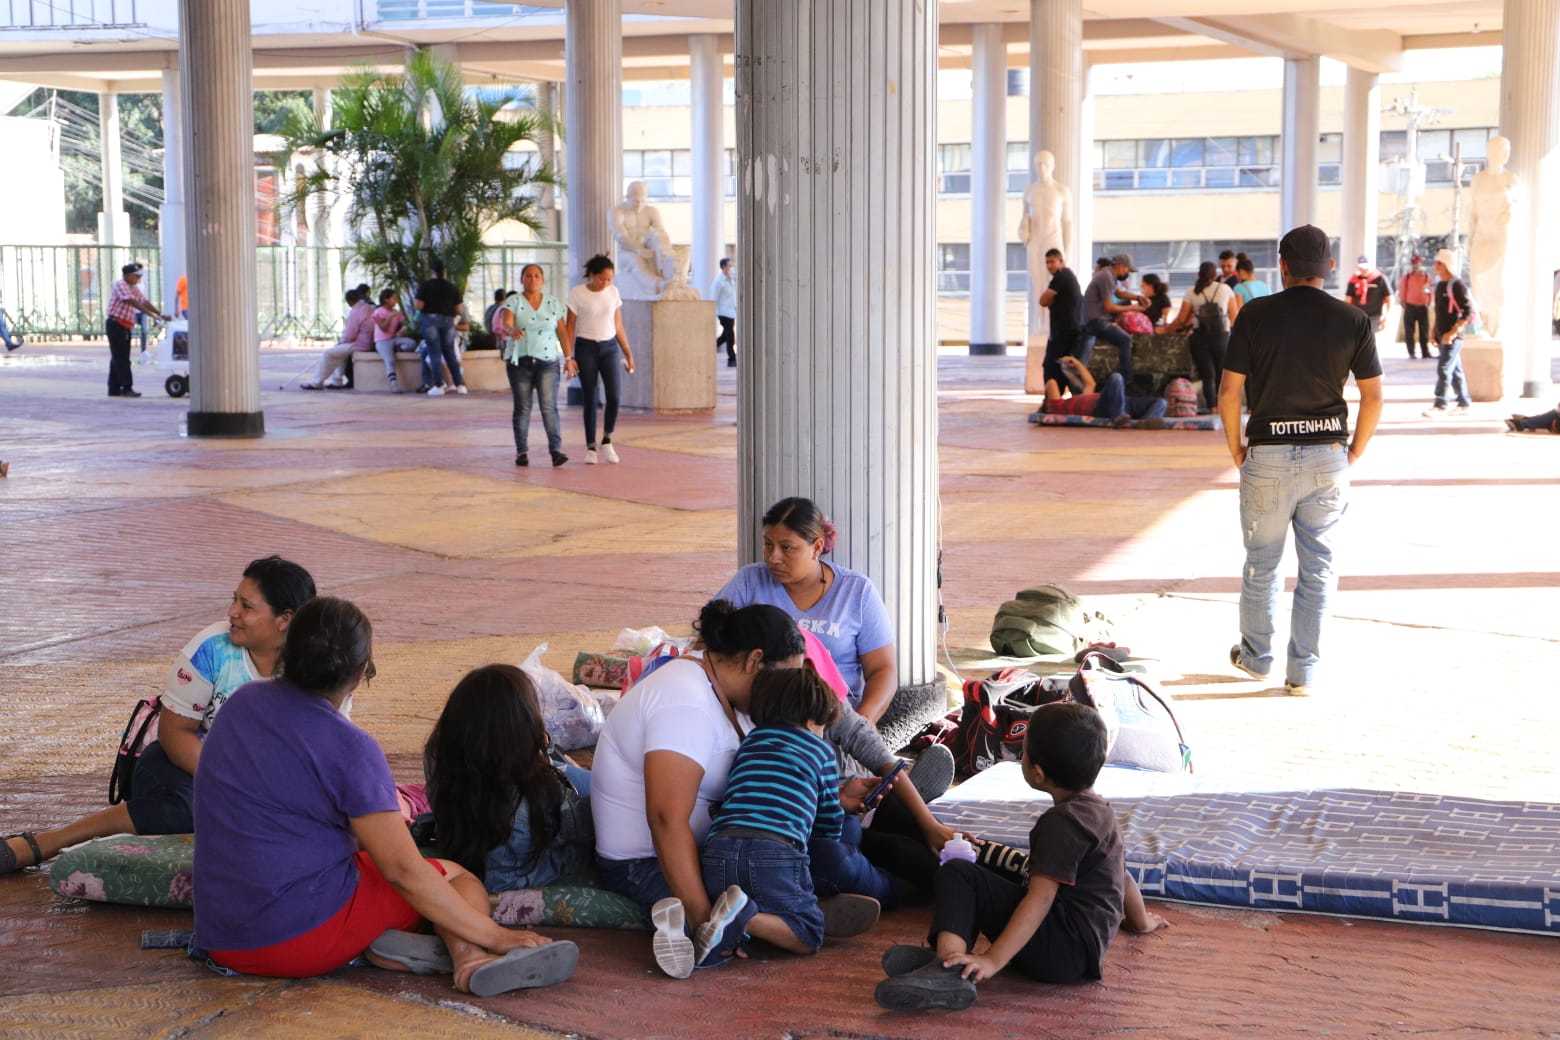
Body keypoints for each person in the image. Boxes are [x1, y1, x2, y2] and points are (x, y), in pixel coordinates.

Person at [192, 597, 578, 994]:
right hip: (293, 941)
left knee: (373, 866)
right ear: (360, 674)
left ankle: (383, 949)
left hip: (221, 934)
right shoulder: (351, 747)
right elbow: (403, 872)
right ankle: (470, 959)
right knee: (455, 878)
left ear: (286, 650)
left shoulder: (241, 704)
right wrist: (497, 935)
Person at [1, 557, 316, 875]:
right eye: (234, 600)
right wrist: (238, 786)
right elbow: (175, 732)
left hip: (259, 781)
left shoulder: (315, 667)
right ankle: (50, 841)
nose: (232, 612)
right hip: (176, 763)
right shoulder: (212, 649)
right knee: (191, 809)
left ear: (284, 620)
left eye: (246, 606)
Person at [872, 703, 1164, 1012]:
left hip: (1060, 954)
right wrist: (1141, 922)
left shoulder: (1060, 824)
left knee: (959, 873)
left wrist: (992, 960)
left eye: (1023, 752)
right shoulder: (1100, 812)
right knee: (979, 872)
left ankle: (946, 968)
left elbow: (1039, 899)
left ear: (1037, 773)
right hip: (1083, 952)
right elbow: (1122, 875)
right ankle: (949, 961)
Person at [590, 599, 804, 977]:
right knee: (788, 888)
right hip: (643, 864)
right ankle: (707, 921)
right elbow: (666, 818)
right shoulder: (684, 700)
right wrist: (704, 918)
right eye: (785, 678)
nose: (788, 692)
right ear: (755, 661)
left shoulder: (723, 691)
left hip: (708, 849)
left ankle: (794, 912)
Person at [1219, 225, 1383, 695]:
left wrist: (1237, 449)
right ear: (1328, 267)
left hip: (1267, 454)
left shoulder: (1255, 314)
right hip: (1327, 458)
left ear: (1283, 267)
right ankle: (1302, 672)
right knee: (1319, 567)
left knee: (1261, 564)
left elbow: (1230, 392)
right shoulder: (1353, 320)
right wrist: (1353, 452)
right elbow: (1373, 397)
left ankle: (1256, 658)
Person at [696, 668, 882, 969]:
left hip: (719, 848)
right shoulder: (821, 752)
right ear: (813, 720)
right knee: (809, 933)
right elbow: (827, 822)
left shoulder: (751, 742)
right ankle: (747, 917)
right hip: (775, 853)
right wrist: (835, 833)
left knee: (760, 895)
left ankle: (735, 924)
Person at [715, 497, 896, 723]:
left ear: (817, 547)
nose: (773, 557)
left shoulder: (857, 592)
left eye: (787, 547)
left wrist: (862, 724)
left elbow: (883, 670)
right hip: (761, 716)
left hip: (833, 718)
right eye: (768, 544)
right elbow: (710, 638)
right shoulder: (749, 581)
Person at [423, 664, 594, 893]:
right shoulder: (538, 794)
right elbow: (586, 828)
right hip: (519, 879)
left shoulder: (442, 762)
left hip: (469, 859)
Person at [497, 264, 575, 468]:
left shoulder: (552, 303)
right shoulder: (513, 301)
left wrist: (568, 358)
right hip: (520, 362)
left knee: (549, 407)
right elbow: (506, 321)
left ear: (542, 280)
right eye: (528, 276)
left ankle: (556, 451)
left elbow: (562, 332)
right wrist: (511, 329)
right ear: (522, 279)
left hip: (548, 362)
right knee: (522, 408)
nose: (532, 279)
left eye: (536, 276)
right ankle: (522, 452)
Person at [566, 254, 637, 465]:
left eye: (609, 279)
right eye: (602, 279)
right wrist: (568, 356)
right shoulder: (577, 293)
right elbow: (569, 327)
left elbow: (618, 325)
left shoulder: (613, 292)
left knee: (614, 396)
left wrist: (628, 353)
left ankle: (607, 439)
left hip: (609, 348)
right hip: (585, 347)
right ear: (592, 275)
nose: (606, 283)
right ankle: (590, 446)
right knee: (590, 396)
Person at [1167, 261, 1239, 411]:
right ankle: (1223, 405)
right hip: (1221, 337)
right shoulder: (1225, 289)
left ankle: (1212, 406)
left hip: (1200, 338)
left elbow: (1181, 319)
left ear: (1199, 274)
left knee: (1207, 375)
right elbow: (1235, 317)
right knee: (1222, 373)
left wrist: (1166, 329)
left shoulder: (1192, 291)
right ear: (1215, 274)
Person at [1423, 249, 1474, 418]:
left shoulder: (1457, 285)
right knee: (1455, 370)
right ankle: (1464, 403)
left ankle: (1440, 404)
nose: (1435, 266)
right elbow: (1439, 313)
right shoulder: (1440, 285)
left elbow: (1468, 312)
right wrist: (1433, 332)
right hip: (1443, 335)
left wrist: (1452, 333)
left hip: (1453, 337)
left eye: (1438, 263)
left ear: (1446, 265)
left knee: (1444, 368)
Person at [105, 262, 169, 398]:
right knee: (121, 359)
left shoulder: (132, 286)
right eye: (136, 276)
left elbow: (143, 301)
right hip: (116, 325)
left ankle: (114, 389)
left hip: (124, 326)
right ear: (128, 275)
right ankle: (127, 388)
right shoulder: (121, 284)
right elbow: (132, 302)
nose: (139, 279)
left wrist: (159, 313)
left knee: (118, 357)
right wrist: (151, 315)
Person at [1041, 356, 1167, 424]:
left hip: (1121, 404)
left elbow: (1090, 383)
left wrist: (1077, 363)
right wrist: (1048, 396)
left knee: (1161, 402)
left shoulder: (1076, 400)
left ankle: (1143, 423)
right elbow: (1051, 383)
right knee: (1116, 378)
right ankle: (1119, 416)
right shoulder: (1057, 407)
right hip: (1104, 407)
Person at [301, 287, 374, 391]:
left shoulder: (356, 311)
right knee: (340, 354)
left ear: (349, 301)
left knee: (328, 354)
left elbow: (350, 334)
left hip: (359, 344)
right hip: (367, 342)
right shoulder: (368, 308)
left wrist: (341, 341)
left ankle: (316, 383)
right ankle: (336, 381)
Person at [1079, 254, 1136, 382]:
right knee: (1125, 340)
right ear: (1121, 266)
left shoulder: (1110, 276)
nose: (1128, 273)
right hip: (1096, 321)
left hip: (1096, 320)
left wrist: (1137, 298)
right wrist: (1134, 308)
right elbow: (1109, 307)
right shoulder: (1106, 277)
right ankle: (1125, 379)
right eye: (1127, 270)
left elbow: (1120, 293)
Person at [416, 258, 467, 397]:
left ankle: (439, 385)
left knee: (434, 353)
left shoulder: (425, 286)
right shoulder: (452, 287)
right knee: (449, 352)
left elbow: (419, 305)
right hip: (448, 321)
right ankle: (460, 385)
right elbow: (459, 308)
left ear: (432, 271)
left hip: (430, 320)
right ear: (444, 272)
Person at [1036, 248, 1085, 391]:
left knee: (1051, 366)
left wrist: (1051, 300)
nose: (1049, 265)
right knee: (1063, 367)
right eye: (1047, 262)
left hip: (1064, 332)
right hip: (1068, 330)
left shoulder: (1061, 276)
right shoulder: (1067, 276)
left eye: (1052, 261)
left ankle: (1051, 401)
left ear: (1061, 261)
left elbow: (1043, 301)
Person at [370, 288, 419, 391]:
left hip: (394, 338)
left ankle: (398, 349)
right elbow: (383, 327)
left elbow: (403, 323)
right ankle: (394, 383)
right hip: (382, 341)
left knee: (411, 343)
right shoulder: (378, 312)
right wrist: (390, 317)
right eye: (394, 298)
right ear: (386, 300)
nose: (396, 300)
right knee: (390, 360)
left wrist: (403, 328)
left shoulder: (396, 312)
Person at [1398, 255, 1434, 360]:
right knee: (1409, 331)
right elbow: (1402, 290)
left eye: (1418, 263)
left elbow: (1430, 290)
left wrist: (1429, 302)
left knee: (1424, 331)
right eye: (1414, 263)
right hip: (1410, 307)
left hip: (1422, 307)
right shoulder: (1407, 277)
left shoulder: (1426, 276)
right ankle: (1411, 353)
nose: (1416, 265)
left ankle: (1425, 352)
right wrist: (1403, 302)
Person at [1344, 255, 1392, 332]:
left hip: (1374, 316)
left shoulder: (1380, 278)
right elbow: (1348, 300)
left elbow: (1389, 299)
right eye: (1361, 267)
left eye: (1365, 267)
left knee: (1370, 339)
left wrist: (1386, 316)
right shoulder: (1353, 280)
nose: (1363, 270)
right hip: (1358, 317)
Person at [710, 257, 737, 368]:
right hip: (723, 313)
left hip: (731, 312)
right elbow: (713, 297)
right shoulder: (718, 282)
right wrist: (714, 313)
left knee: (725, 336)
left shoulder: (730, 279)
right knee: (730, 335)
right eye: (729, 266)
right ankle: (732, 359)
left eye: (731, 266)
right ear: (723, 267)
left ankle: (710, 348)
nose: (731, 268)